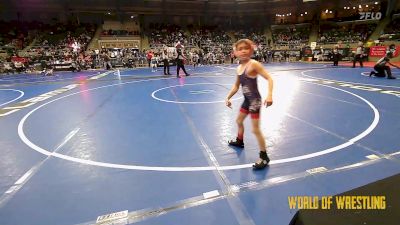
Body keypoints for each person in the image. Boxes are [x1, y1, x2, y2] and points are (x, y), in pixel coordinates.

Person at [225, 39, 274, 170]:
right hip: (247, 100)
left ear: (251, 50)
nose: (243, 51)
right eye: (240, 49)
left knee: (255, 129)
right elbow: (236, 86)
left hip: (255, 101)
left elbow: (269, 78)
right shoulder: (239, 68)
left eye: (246, 48)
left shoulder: (253, 64)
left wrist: (269, 95)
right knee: (239, 121)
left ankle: (264, 156)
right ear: (235, 52)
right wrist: (228, 97)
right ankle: (240, 141)